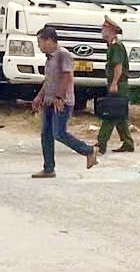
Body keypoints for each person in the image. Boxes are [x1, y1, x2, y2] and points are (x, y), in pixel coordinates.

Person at [31, 27, 98, 178]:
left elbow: (68, 77)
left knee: (59, 133)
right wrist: (39, 97)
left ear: (48, 41)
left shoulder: (63, 55)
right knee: (46, 134)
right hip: (49, 101)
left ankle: (89, 150)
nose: (39, 46)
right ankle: (48, 168)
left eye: (40, 42)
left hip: (62, 102)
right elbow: (48, 81)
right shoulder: (49, 58)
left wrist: (60, 97)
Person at [96, 15, 135, 154]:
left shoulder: (116, 46)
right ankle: (128, 142)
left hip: (119, 84)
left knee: (110, 113)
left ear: (111, 30)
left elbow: (118, 66)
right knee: (120, 115)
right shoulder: (113, 45)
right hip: (119, 84)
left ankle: (101, 143)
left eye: (104, 28)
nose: (102, 30)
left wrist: (114, 83)